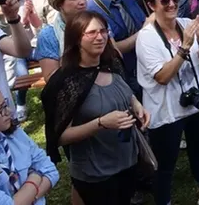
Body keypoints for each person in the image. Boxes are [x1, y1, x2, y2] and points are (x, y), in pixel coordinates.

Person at [40, 12, 149, 205]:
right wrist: (101, 123)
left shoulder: (112, 62)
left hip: (127, 161)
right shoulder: (66, 82)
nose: (100, 37)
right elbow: (60, 136)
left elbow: (124, 89)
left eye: (103, 31)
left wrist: (136, 104)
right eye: (91, 33)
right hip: (95, 171)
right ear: (76, 39)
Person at [135, 0, 199, 205]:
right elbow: (163, 77)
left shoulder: (186, 24)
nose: (172, 4)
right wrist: (185, 46)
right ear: (151, 5)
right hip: (166, 108)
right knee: (165, 165)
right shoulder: (146, 38)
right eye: (164, 1)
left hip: (197, 101)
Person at [86, 0, 147, 89]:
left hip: (148, 69)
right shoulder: (91, 12)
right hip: (121, 80)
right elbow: (110, 49)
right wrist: (144, 31)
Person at [34, 0, 88, 81]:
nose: (82, 2)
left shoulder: (97, 24)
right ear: (59, 4)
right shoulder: (48, 34)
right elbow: (50, 77)